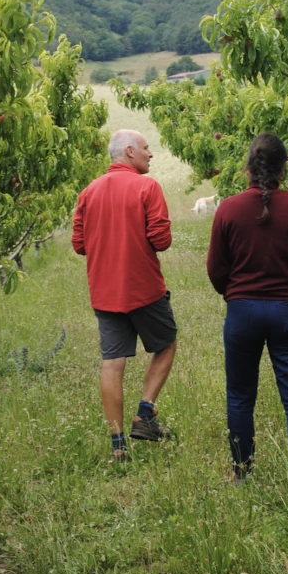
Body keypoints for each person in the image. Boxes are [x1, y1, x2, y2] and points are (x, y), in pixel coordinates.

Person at [206, 133, 288, 490]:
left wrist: (235, 295)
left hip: (242, 312)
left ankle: (242, 473)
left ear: (248, 167)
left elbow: (215, 268)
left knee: (240, 396)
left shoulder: (228, 208)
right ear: (284, 166)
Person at [71, 129, 177, 460]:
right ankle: (145, 414)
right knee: (166, 344)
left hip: (105, 293)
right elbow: (161, 240)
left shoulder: (88, 192)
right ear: (129, 151)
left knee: (112, 363)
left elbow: (79, 244)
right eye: (147, 148)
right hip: (143, 289)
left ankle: (118, 445)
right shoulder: (147, 187)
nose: (151, 154)